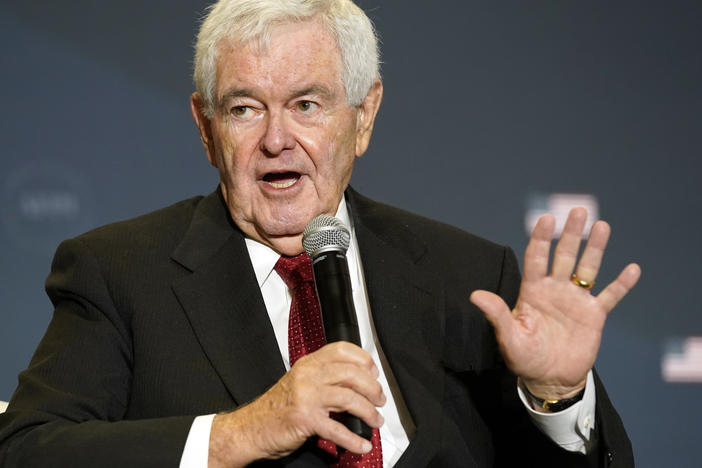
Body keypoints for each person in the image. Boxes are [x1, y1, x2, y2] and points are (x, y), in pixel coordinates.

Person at [0, 1, 641, 466]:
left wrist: (557, 397)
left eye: (307, 104)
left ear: (363, 118)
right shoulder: (119, 272)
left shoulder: (470, 278)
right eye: (245, 108)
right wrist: (238, 434)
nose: (276, 139)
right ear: (205, 128)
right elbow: (27, 448)